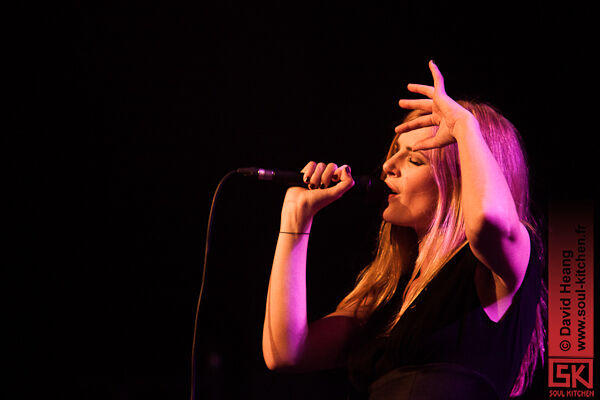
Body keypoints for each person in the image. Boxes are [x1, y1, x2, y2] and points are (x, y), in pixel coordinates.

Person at [262, 60, 546, 400]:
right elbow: (287, 353)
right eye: (395, 153)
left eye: (414, 160)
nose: (387, 167)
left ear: (459, 181)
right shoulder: (388, 293)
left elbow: (490, 220)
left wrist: (464, 127)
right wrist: (296, 219)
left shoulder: (497, 263)